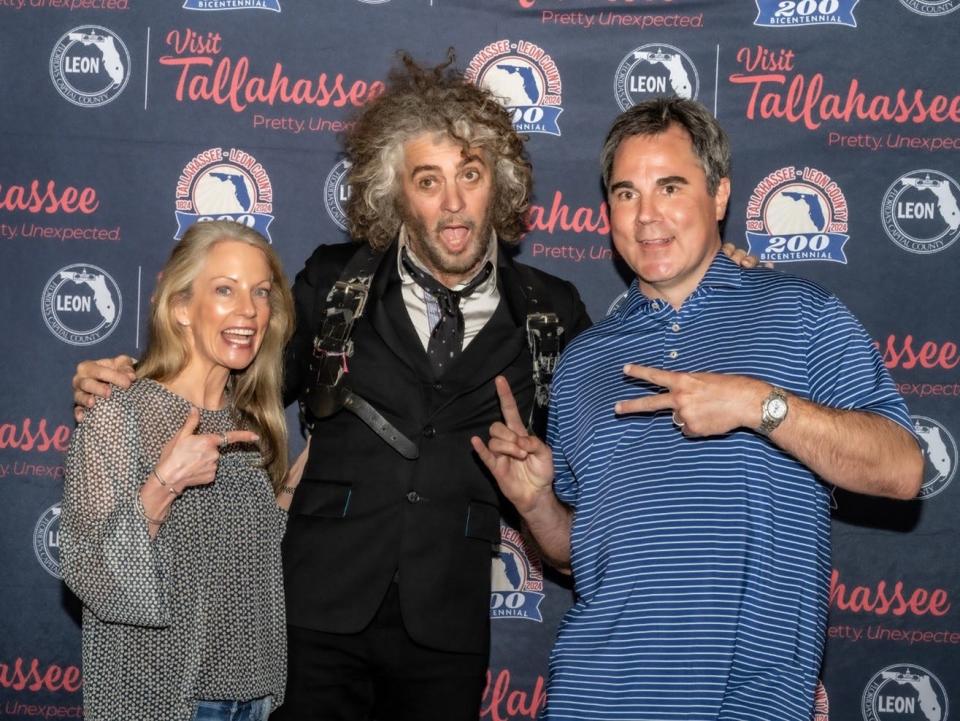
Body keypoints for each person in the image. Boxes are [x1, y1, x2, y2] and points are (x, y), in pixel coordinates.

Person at [70, 56, 759, 721]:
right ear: (396, 192)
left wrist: (715, 278)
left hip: (448, 622)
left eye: (470, 173)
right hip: (312, 609)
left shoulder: (552, 311)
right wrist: (137, 379)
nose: (454, 203)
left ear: (502, 182)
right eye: (428, 181)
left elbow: (625, 402)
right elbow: (228, 371)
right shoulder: (334, 282)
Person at [472, 97, 924, 721]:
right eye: (626, 193)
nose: (647, 215)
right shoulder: (584, 361)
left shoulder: (800, 316)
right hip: (593, 699)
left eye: (670, 187)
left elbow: (903, 469)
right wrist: (537, 505)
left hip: (746, 702)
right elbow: (577, 554)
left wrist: (758, 404)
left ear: (719, 198)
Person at [60, 220, 297, 721]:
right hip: (165, 699)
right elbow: (88, 569)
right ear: (181, 307)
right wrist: (164, 484)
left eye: (259, 293)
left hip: (253, 697)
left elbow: (241, 559)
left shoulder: (249, 423)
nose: (248, 311)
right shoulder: (118, 410)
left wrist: (303, 477)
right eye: (225, 290)